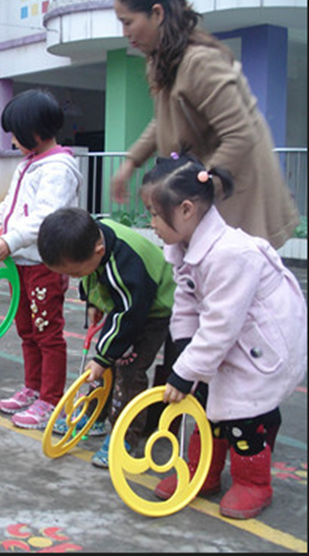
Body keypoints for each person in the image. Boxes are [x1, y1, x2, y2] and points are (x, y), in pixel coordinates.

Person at [139, 154, 307, 520]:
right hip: (229, 337)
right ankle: (204, 473)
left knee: (244, 413)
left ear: (185, 210)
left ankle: (253, 483)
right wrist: (184, 352)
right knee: (202, 401)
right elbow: (184, 303)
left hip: (262, 344)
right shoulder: (182, 247)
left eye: (154, 213)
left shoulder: (232, 254)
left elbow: (221, 324)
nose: (150, 223)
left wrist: (188, 369)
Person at [110, 0, 300, 251]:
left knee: (232, 281)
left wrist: (198, 187)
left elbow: (240, 134)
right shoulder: (161, 61)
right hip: (205, 199)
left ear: (157, 13)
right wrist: (132, 161)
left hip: (236, 197)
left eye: (128, 21)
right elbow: (164, 120)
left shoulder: (200, 62)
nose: (124, 32)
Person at [37, 207, 175, 467]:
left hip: (151, 309)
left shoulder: (125, 265)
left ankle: (125, 436)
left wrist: (104, 356)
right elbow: (93, 276)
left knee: (128, 370)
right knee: (100, 365)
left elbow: (129, 316)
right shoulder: (89, 238)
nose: (73, 278)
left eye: (75, 273)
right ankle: (95, 417)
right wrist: (93, 301)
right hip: (123, 305)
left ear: (98, 251)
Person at [0, 89, 82, 430]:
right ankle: (33, 387)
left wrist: (11, 240)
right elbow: (8, 202)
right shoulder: (28, 164)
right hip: (21, 263)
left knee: (47, 331)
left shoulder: (59, 167)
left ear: (36, 133)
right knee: (26, 329)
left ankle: (51, 399)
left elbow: (46, 216)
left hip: (44, 263)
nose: (12, 141)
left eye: (16, 134)